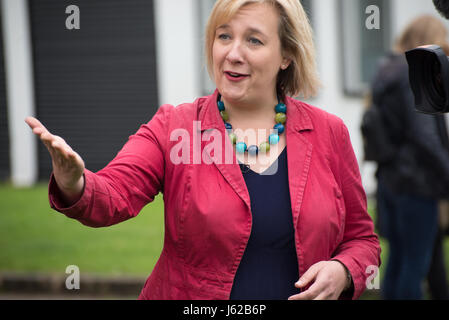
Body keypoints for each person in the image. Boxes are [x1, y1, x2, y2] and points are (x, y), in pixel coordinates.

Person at [25, 0, 380, 300]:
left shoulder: (329, 132)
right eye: (224, 36)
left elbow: (362, 240)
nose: (233, 53)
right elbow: (115, 194)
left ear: (286, 55)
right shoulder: (174, 126)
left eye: (254, 40)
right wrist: (75, 184)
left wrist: (344, 270)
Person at [371, 15, 449, 300]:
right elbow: (425, 136)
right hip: (418, 184)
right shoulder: (412, 74)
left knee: (398, 262)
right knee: (414, 268)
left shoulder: (386, 70)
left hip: (390, 183)